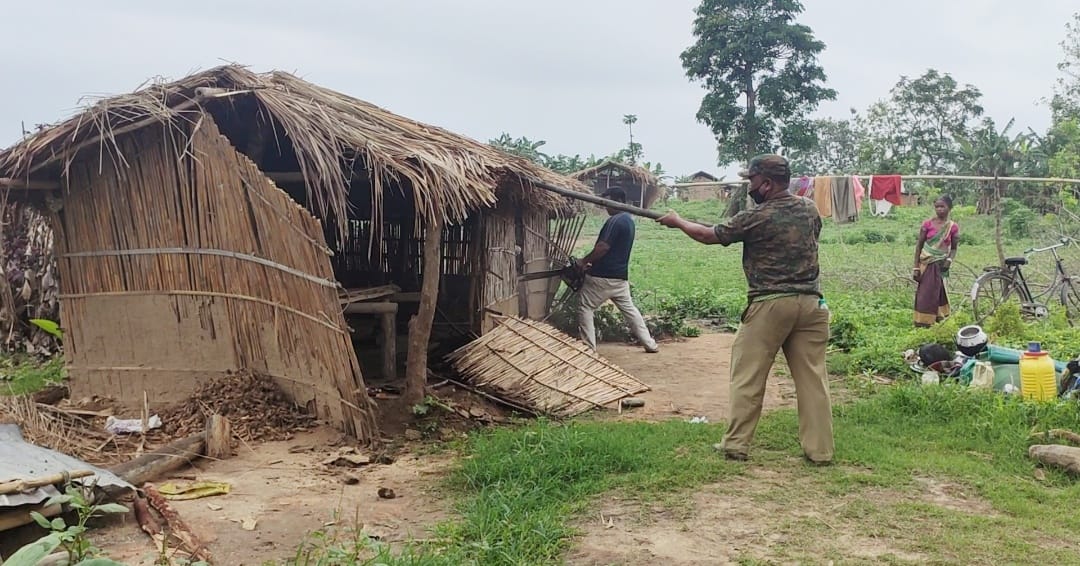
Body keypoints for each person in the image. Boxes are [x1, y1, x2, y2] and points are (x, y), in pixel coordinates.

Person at [656, 154, 833, 464]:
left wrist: (677, 221)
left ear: (766, 183)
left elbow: (708, 235)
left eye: (751, 180)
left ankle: (735, 444)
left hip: (770, 305)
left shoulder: (758, 216)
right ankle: (820, 451)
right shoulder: (809, 208)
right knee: (812, 379)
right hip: (812, 304)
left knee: (748, 376)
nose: (749, 186)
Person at [576, 188, 659, 354]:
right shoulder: (628, 220)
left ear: (616, 201)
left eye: (607, 202)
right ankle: (650, 344)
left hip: (602, 277)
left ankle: (588, 349)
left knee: (585, 306)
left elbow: (603, 247)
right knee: (630, 311)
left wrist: (584, 261)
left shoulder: (614, 221)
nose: (605, 206)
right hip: (620, 277)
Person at [913, 195, 959, 327]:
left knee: (936, 293)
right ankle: (923, 322)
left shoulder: (952, 227)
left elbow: (954, 248)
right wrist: (915, 267)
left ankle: (937, 319)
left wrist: (949, 260)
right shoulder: (927, 224)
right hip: (925, 263)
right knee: (924, 293)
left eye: (942, 206)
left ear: (949, 208)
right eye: (937, 207)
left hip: (940, 265)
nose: (939, 209)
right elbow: (919, 245)